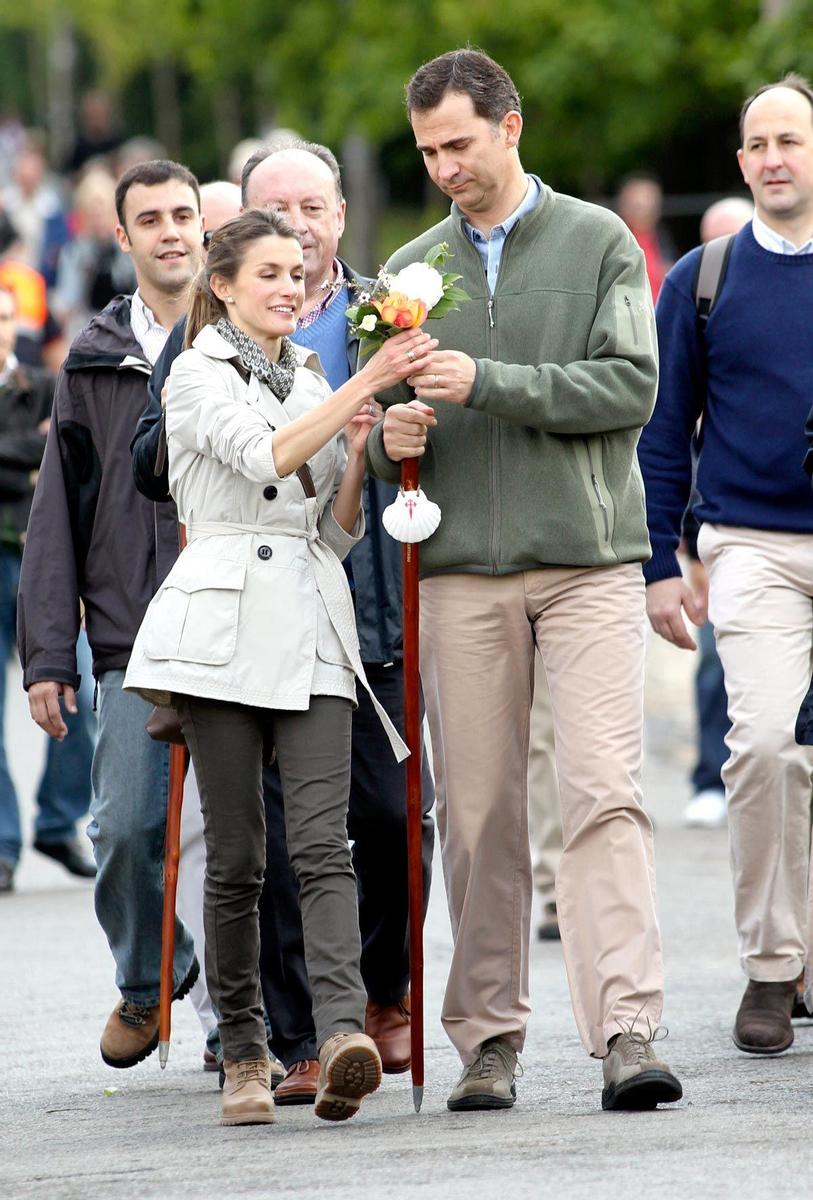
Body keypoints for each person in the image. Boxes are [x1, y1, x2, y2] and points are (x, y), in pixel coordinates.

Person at [366, 48, 682, 1113]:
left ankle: (629, 1027)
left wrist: (487, 382)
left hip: (588, 563)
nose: (445, 165)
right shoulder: (408, 268)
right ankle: (488, 1040)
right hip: (460, 570)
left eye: (458, 143)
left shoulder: (598, 240)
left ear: (510, 127)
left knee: (601, 792)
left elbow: (632, 385)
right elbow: (378, 433)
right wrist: (392, 435)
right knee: (480, 810)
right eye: (426, 151)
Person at [131, 145, 436, 1103]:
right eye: (268, 275)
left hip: (310, 626)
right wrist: (360, 389)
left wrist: (354, 457)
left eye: (297, 278)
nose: (290, 288)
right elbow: (261, 457)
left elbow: (331, 534)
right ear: (220, 287)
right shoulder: (193, 374)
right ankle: (250, 1053)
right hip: (219, 637)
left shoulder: (309, 374)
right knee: (237, 857)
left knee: (325, 843)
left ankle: (342, 1033)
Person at [639, 75, 813, 1056]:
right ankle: (772, 965)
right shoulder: (702, 279)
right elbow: (665, 434)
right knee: (764, 747)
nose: (776, 157)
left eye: (792, 138)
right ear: (742, 162)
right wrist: (660, 566)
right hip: (751, 544)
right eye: (760, 144)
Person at [17, 160, 205, 1068]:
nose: (172, 231)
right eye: (151, 220)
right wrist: (49, 654)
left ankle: (252, 1025)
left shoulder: (247, 334)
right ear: (120, 238)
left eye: (184, 214)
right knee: (123, 826)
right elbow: (57, 515)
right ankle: (148, 977)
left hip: (248, 624)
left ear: (206, 226)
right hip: (136, 632)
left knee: (248, 838)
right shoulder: (91, 360)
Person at [0, 282, 96, 892]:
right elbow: (35, 453)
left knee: (78, 687)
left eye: (6, 316)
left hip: (35, 557)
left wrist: (32, 450)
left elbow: (62, 452)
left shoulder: (40, 382)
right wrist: (27, 451)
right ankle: (4, 843)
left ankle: (58, 821)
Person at [680, 196, 754, 830]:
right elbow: (672, 433)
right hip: (720, 524)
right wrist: (680, 552)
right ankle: (709, 773)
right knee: (713, 660)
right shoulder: (698, 292)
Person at [615, 174, 675, 301]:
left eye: (649, 205)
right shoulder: (616, 243)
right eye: (637, 206)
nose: (644, 211)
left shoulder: (663, 242)